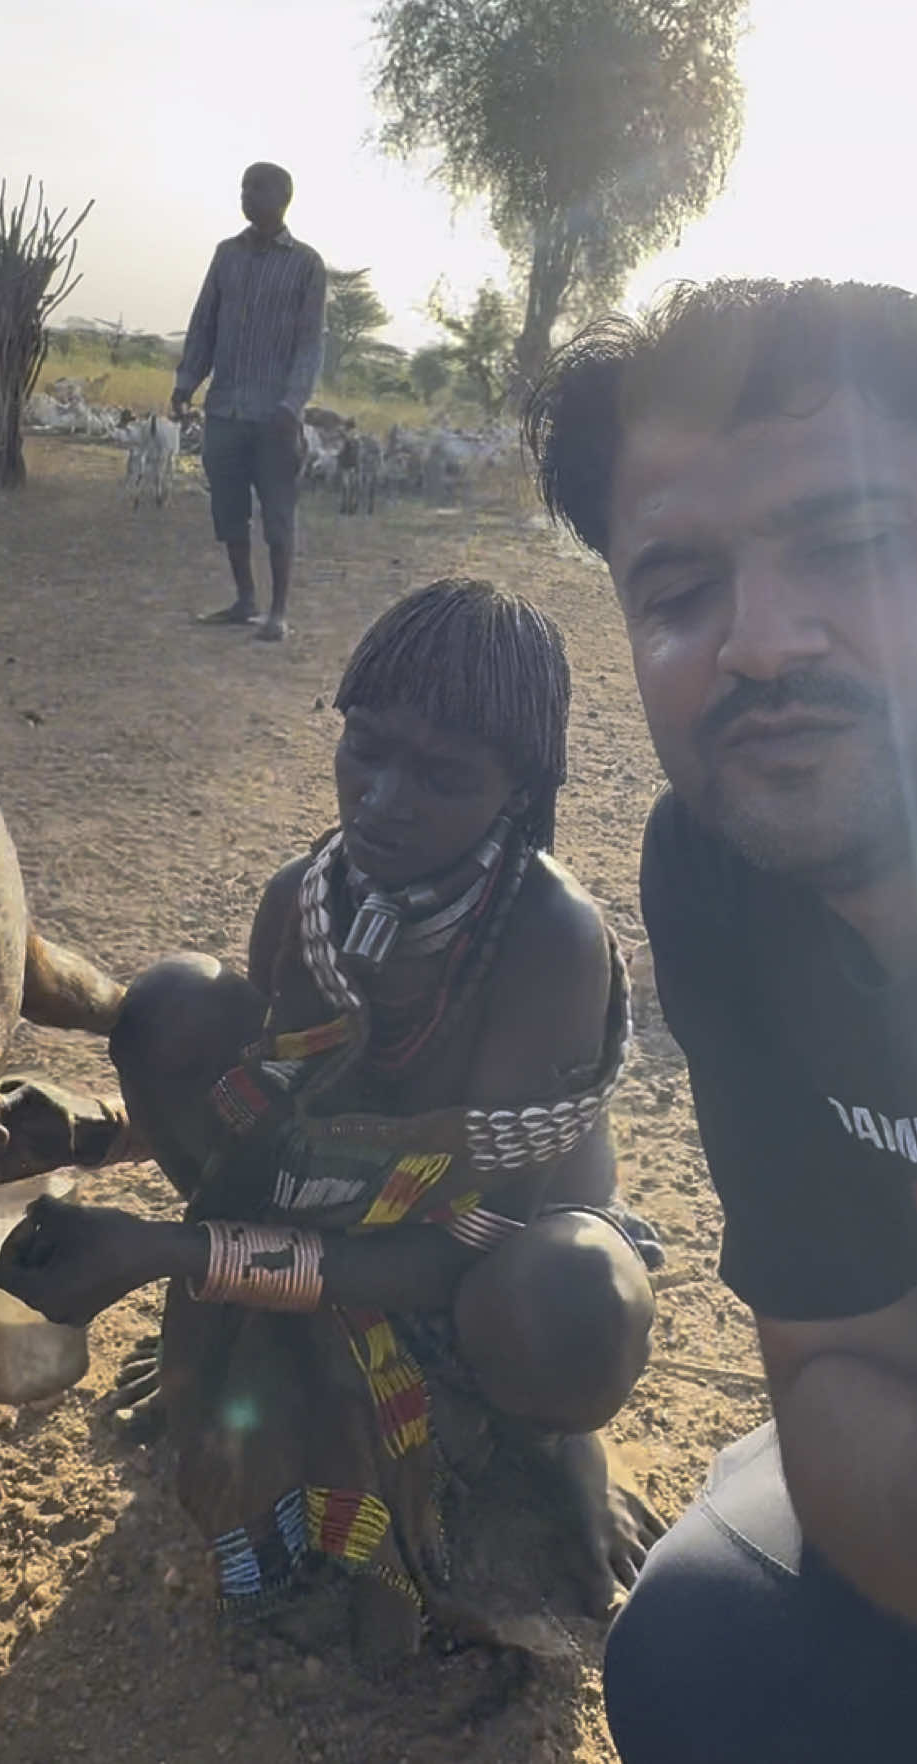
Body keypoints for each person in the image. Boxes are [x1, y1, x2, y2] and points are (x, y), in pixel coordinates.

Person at [0, 579, 661, 1667]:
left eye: (443, 776)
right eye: (365, 750)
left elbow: (463, 1245)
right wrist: (88, 1133)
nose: (381, 799)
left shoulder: (549, 943)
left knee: (567, 1299)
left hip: (494, 1256)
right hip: (347, 1219)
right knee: (174, 1008)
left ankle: (556, 1447)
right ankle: (285, 1354)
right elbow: (278, 1125)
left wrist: (172, 1254)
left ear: (522, 789)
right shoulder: (308, 902)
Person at [523, 279, 917, 1761]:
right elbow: (834, 1365)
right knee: (701, 1658)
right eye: (679, 588)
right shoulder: (720, 874)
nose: (756, 642)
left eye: (858, 546)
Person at [171, 162, 326, 642]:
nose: (247, 196)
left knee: (278, 513)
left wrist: (292, 404)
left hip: (275, 416)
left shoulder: (306, 264)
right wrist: (186, 381)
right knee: (228, 510)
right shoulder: (226, 256)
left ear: (283, 198)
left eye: (257, 188)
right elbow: (204, 324)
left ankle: (278, 612)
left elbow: (310, 343)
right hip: (225, 409)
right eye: (243, 187)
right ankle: (245, 600)